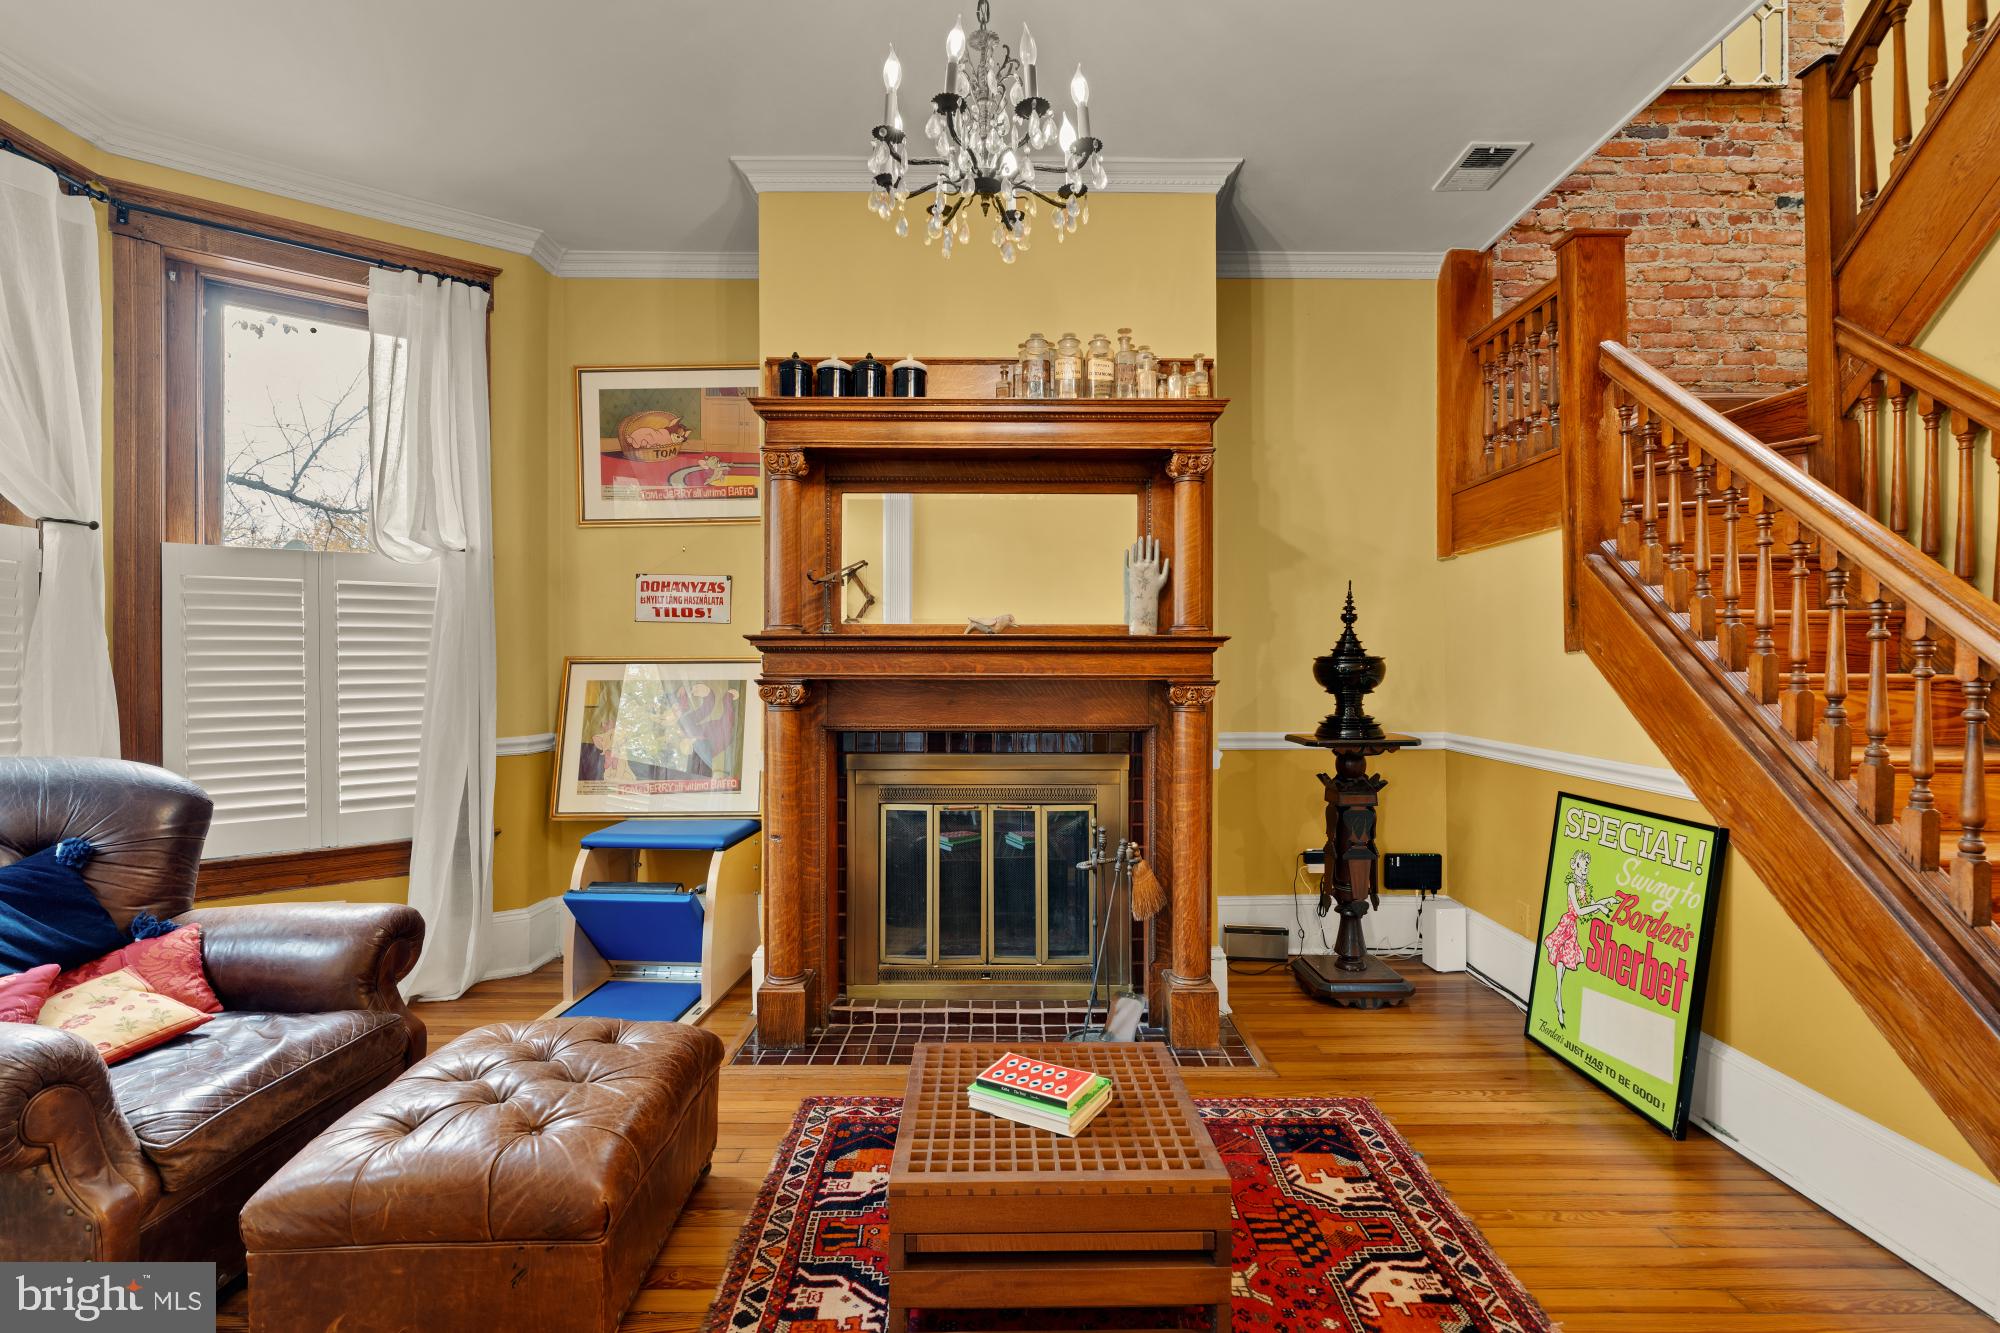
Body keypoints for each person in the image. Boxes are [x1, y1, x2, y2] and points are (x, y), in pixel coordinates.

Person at [1543, 848, 1617, 1027]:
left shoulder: (1584, 887)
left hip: (1573, 928)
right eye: (1582, 867)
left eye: (1586, 867)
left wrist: (1606, 901)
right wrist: (1599, 907)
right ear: (1574, 866)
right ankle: (1559, 1004)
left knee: (1565, 964)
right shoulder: (1571, 885)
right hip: (1567, 924)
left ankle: (1557, 998)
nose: (1585, 870)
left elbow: (1590, 907)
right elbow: (1578, 910)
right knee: (1560, 964)